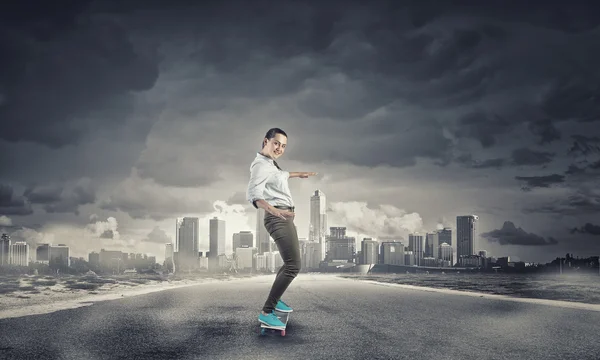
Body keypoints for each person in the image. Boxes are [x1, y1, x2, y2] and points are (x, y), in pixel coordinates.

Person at [246, 127, 317, 329]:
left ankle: (275, 302)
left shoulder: (270, 164)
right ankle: (267, 312)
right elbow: (253, 194)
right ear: (265, 141)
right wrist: (273, 210)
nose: (279, 148)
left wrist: (297, 174)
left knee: (289, 263)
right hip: (278, 217)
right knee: (294, 265)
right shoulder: (260, 165)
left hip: (282, 216)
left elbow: (279, 174)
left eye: (283, 146)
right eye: (276, 143)